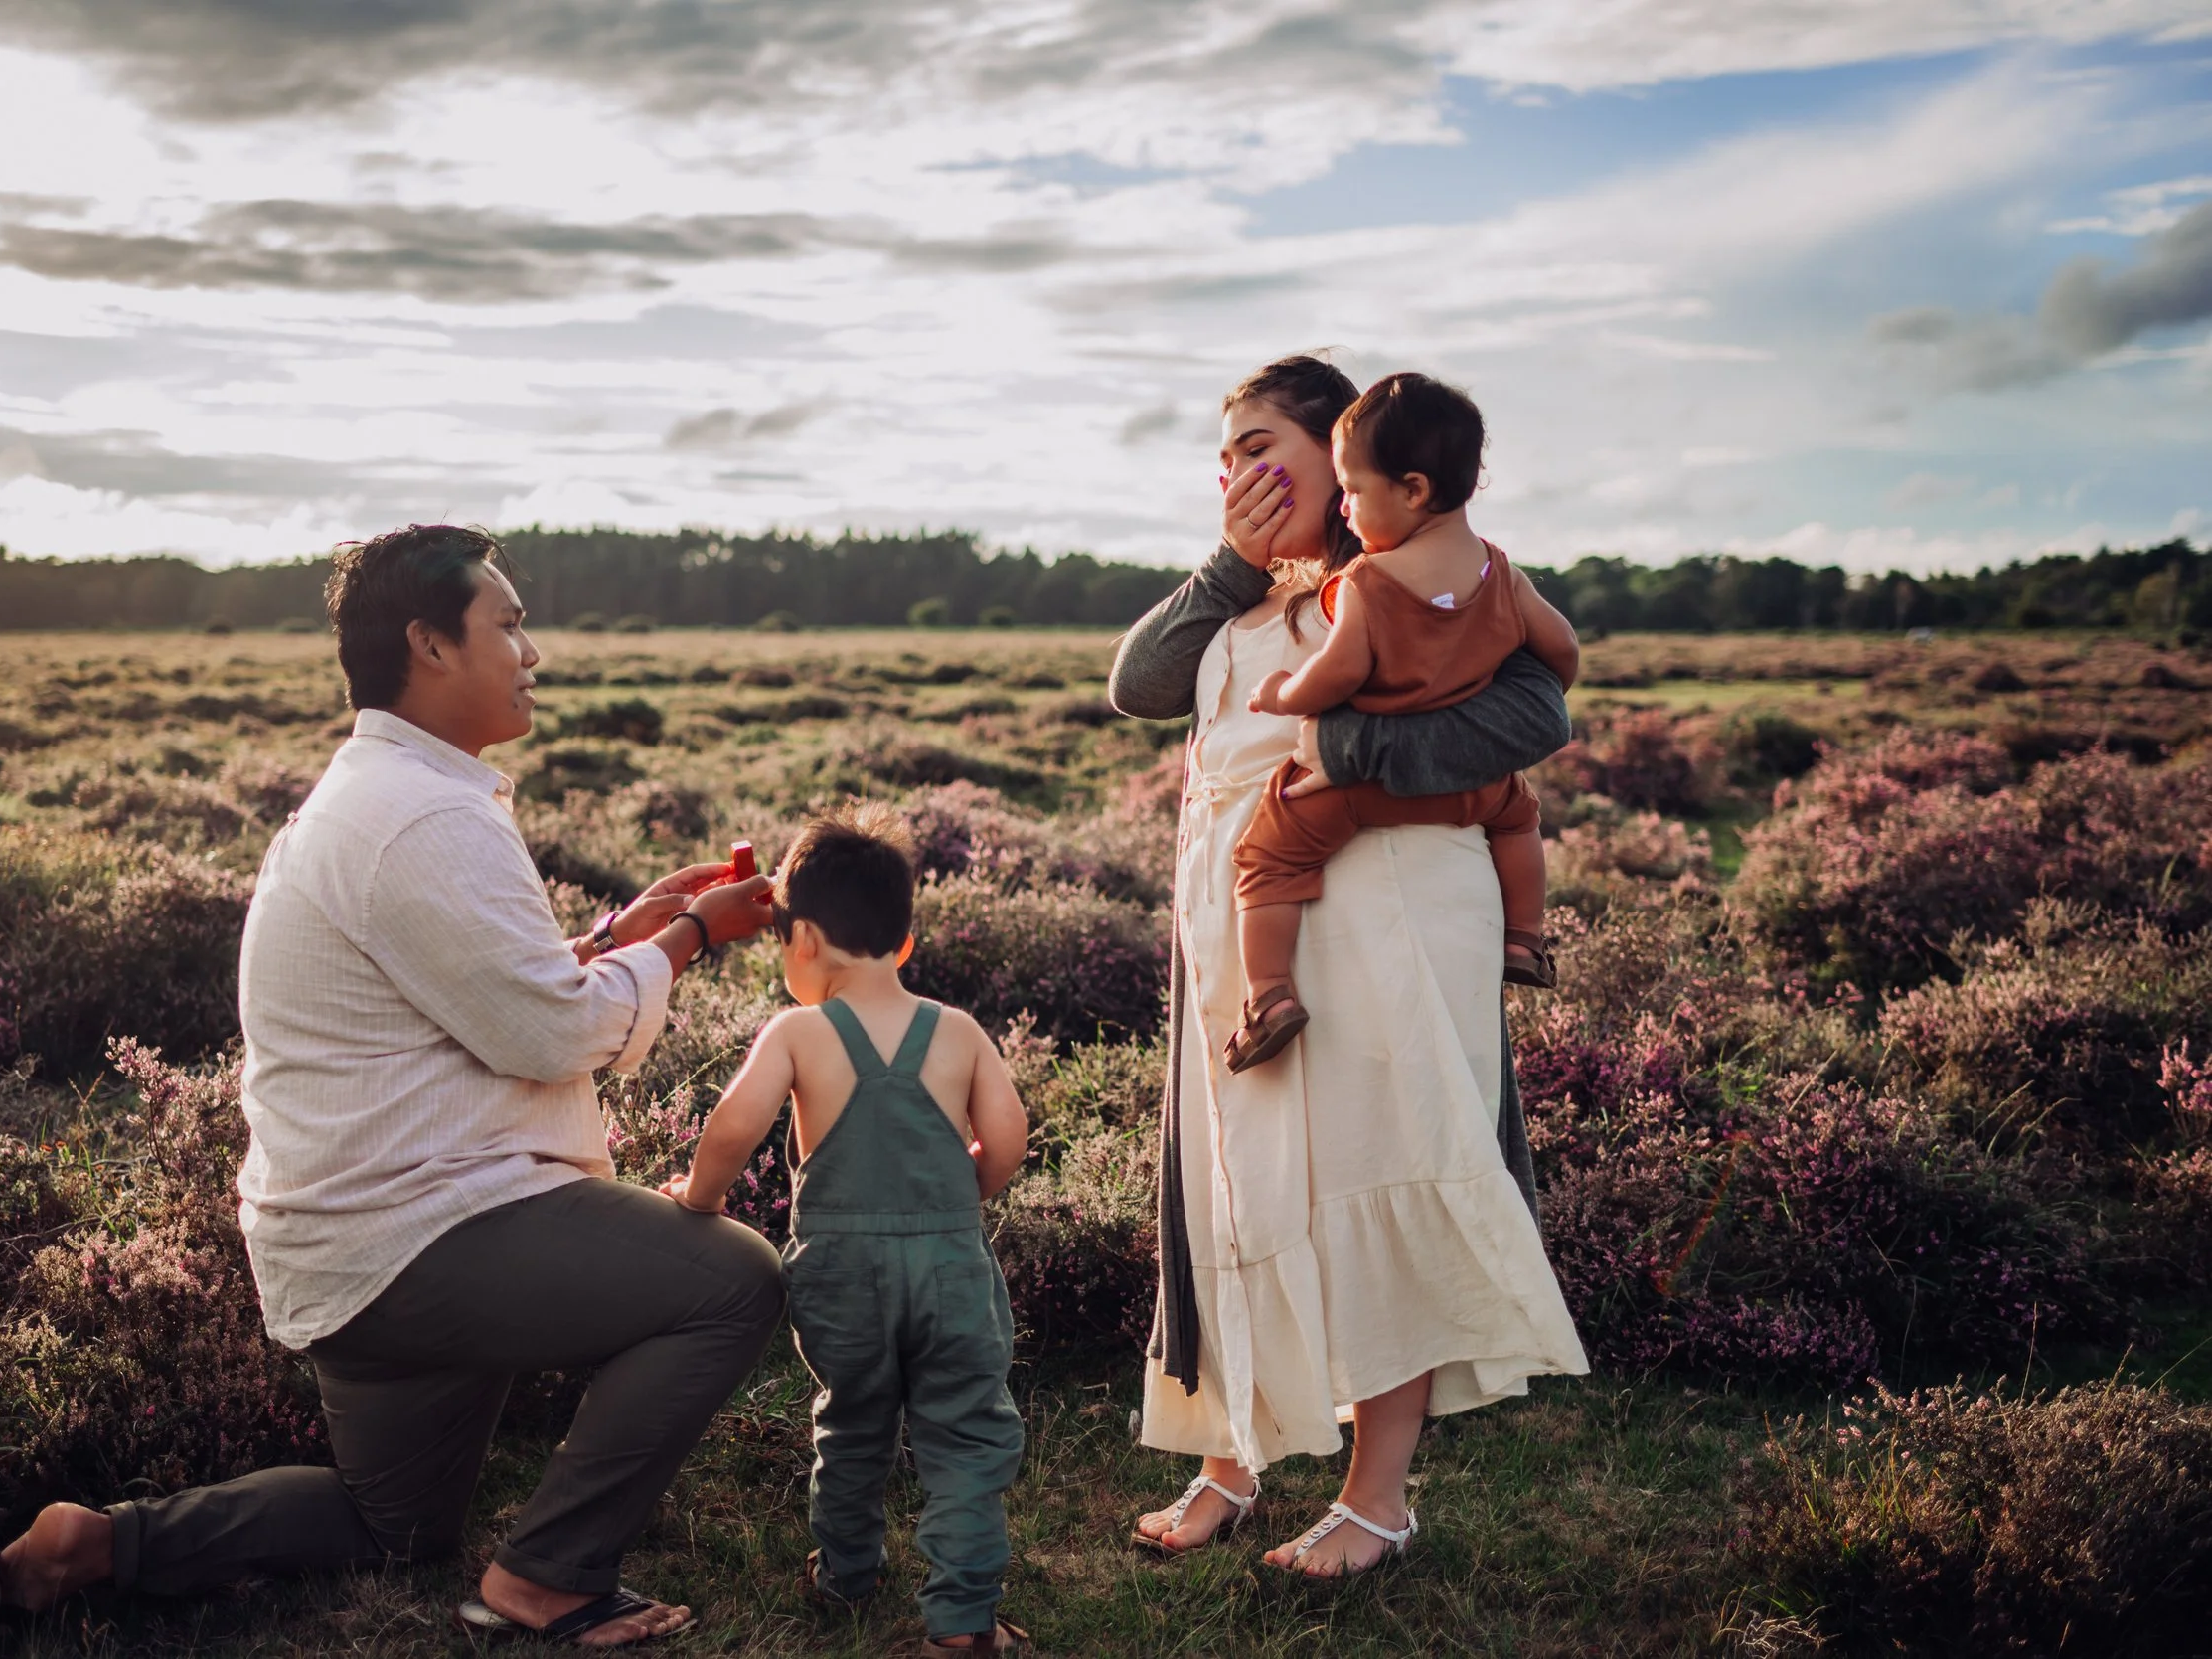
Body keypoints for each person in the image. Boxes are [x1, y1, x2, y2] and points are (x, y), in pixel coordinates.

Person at [0, 525, 782, 1650]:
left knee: (389, 1523)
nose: (531, 652)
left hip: (354, 1247)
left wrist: (617, 934)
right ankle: (548, 1575)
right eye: (507, 625)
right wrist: (691, 935)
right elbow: (549, 1031)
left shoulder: (378, 794)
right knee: (731, 1279)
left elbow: (485, 990)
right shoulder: (422, 815)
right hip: (427, 1233)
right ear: (428, 644)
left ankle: (101, 1542)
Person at [1110, 357, 1586, 1578]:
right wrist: (1227, 563)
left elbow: (1536, 712)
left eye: (1264, 446)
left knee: (1381, 1167)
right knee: (1244, 1184)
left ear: (1343, 459)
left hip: (1383, 904)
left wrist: (1350, 751)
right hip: (1249, 912)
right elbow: (1137, 686)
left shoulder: (1413, 576)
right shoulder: (1234, 596)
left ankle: (1377, 1497)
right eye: (1226, 453)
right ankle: (1235, 1452)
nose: (1238, 472)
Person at [663, 805, 1034, 1656]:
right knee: (967, 1435)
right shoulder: (959, 1031)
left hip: (842, 1273)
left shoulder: (798, 1032)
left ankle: (845, 1574)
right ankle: (964, 1621)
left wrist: (698, 1196)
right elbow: (1008, 1138)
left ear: (802, 941)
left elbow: (730, 1128)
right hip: (947, 1263)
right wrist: (961, 1191)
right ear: (905, 943)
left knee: (853, 1420)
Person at [1224, 371, 1579, 1073]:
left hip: (1357, 791)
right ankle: (1526, 939)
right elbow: (1562, 648)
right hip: (1478, 789)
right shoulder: (1501, 572)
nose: (1347, 507)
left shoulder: (1368, 581)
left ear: (1413, 489)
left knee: (1265, 858)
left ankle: (1267, 997)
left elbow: (1344, 671)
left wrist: (1288, 694)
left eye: (1353, 490)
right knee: (1519, 821)